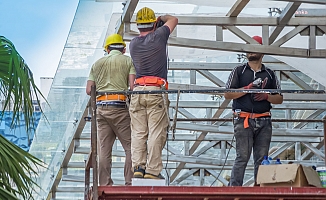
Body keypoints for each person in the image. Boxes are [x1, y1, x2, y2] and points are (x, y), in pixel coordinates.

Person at [224, 35, 283, 186]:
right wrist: (247, 89)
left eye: (254, 47)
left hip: (263, 119)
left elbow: (279, 98)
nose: (251, 51)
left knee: (261, 158)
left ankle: (260, 189)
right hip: (243, 119)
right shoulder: (239, 71)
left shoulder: (269, 73)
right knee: (242, 157)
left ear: (262, 52)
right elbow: (227, 94)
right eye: (249, 47)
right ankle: (235, 190)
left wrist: (266, 96)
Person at [128, 7, 178, 179]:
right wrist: (162, 18)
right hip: (155, 90)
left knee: (138, 132)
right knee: (157, 131)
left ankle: (138, 167)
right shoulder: (159, 36)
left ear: (138, 25)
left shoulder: (133, 44)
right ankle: (152, 170)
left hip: (137, 91)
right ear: (154, 23)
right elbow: (174, 19)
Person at [86, 33, 135, 185]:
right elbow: (133, 87)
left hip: (101, 109)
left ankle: (105, 183)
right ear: (123, 49)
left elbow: (89, 89)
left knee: (103, 151)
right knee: (131, 147)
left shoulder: (97, 64)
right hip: (120, 108)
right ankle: (129, 182)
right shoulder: (128, 61)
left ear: (107, 49)